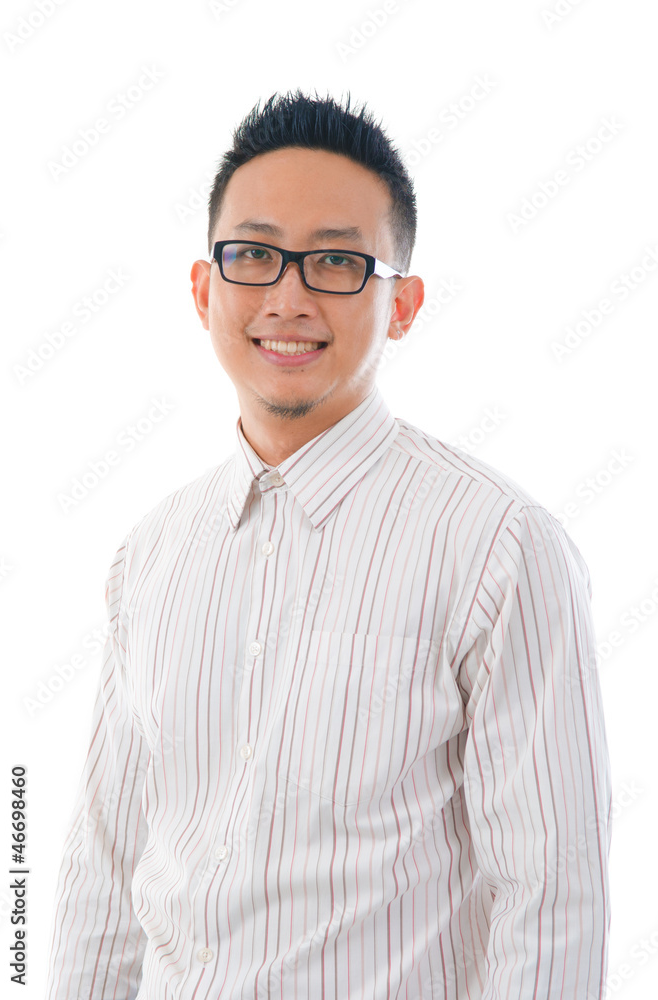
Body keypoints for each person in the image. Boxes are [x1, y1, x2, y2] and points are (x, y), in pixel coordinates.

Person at [44, 90, 612, 1000]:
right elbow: (103, 876)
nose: (289, 295)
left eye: (339, 263)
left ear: (403, 304)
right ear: (204, 290)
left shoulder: (498, 548)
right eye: (255, 255)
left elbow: (549, 900)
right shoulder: (149, 556)